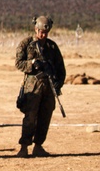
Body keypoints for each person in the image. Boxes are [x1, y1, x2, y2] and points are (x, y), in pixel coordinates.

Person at [14, 15, 65, 157]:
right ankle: (24, 147)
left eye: (46, 33)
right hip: (32, 87)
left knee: (45, 116)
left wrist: (58, 83)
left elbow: (61, 68)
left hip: (48, 87)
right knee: (30, 117)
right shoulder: (26, 44)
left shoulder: (52, 47)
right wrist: (32, 63)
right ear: (35, 29)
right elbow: (19, 63)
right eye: (41, 32)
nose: (43, 35)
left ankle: (38, 146)